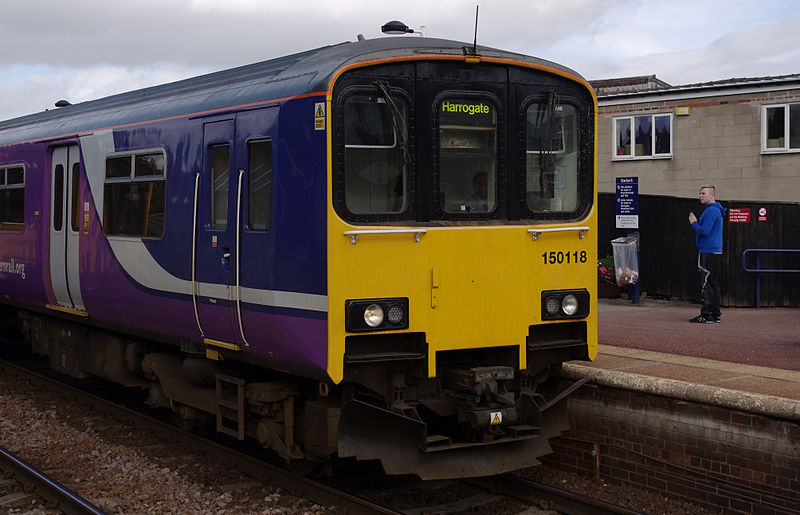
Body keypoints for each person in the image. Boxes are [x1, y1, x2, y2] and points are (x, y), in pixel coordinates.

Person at [688, 184, 726, 323]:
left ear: (712, 195)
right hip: (715, 251)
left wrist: (694, 223)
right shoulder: (717, 210)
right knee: (713, 283)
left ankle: (707, 315)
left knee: (706, 283)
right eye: (700, 193)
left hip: (708, 251)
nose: (700, 196)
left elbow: (704, 231)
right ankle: (715, 314)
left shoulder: (711, 211)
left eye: (703, 193)